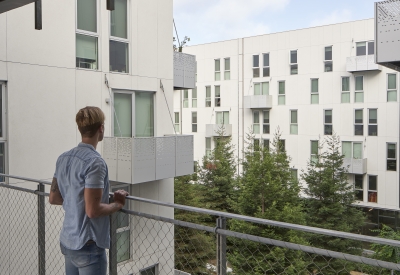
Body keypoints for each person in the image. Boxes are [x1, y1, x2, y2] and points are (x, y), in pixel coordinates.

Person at [49, 106, 129, 275]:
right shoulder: (95, 163)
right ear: (101, 128)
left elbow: (54, 198)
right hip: (88, 245)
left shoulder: (63, 158)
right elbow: (92, 211)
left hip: (68, 241)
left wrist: (76, 200)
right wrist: (117, 204)